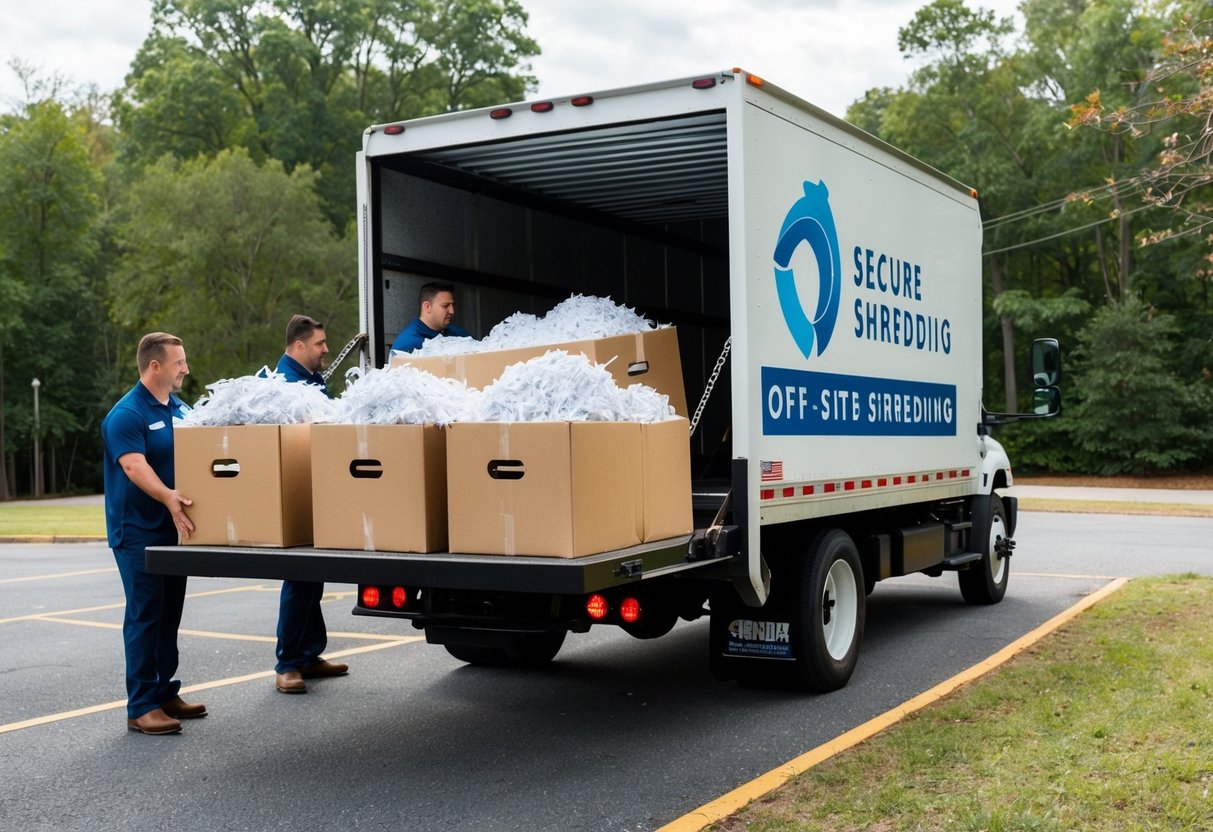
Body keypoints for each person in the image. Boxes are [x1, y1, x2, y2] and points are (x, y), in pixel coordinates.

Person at [102, 332, 206, 735]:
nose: (186, 369)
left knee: (169, 615)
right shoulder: (127, 414)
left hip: (173, 530)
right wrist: (167, 496)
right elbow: (133, 466)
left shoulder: (180, 408)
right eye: (179, 363)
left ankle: (164, 691)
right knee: (145, 615)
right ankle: (141, 706)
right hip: (137, 532)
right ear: (155, 366)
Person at [270, 315, 349, 694]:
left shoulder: (311, 380)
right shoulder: (280, 385)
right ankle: (287, 663)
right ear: (299, 346)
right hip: (295, 493)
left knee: (312, 577)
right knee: (299, 578)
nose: (326, 349)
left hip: (318, 486)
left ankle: (308, 654)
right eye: (320, 344)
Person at [390, 281, 471, 353]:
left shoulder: (460, 335)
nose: (452, 311)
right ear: (427, 307)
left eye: (453, 305)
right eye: (445, 306)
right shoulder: (408, 344)